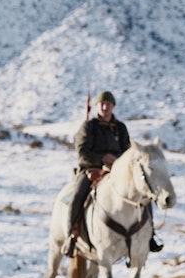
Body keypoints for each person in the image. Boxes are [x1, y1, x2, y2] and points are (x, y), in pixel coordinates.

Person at [62, 90, 163, 257]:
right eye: (101, 104)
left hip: (118, 172)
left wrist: (116, 160)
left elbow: (127, 152)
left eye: (108, 103)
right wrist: (101, 158)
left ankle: (149, 235)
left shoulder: (120, 128)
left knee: (145, 194)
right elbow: (82, 153)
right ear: (96, 106)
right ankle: (71, 237)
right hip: (91, 169)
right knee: (78, 195)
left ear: (113, 106)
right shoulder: (89, 126)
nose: (104, 106)